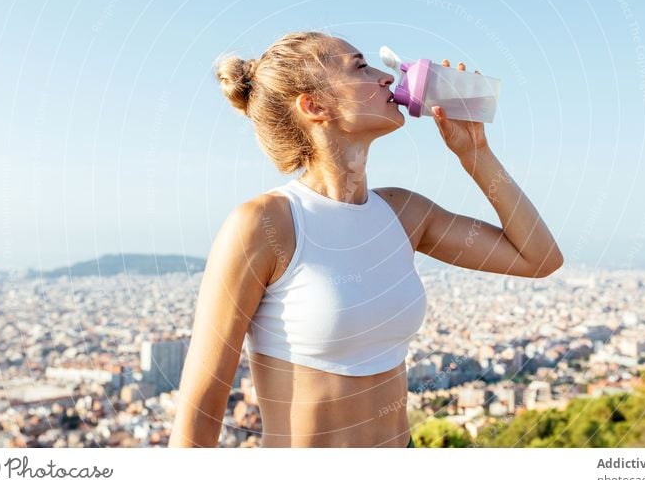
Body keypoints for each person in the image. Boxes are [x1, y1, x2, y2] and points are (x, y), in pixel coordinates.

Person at [168, 31, 563, 448]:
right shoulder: (265, 223)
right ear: (314, 104)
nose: (387, 78)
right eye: (360, 66)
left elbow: (538, 259)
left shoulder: (405, 213)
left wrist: (476, 153)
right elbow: (202, 407)